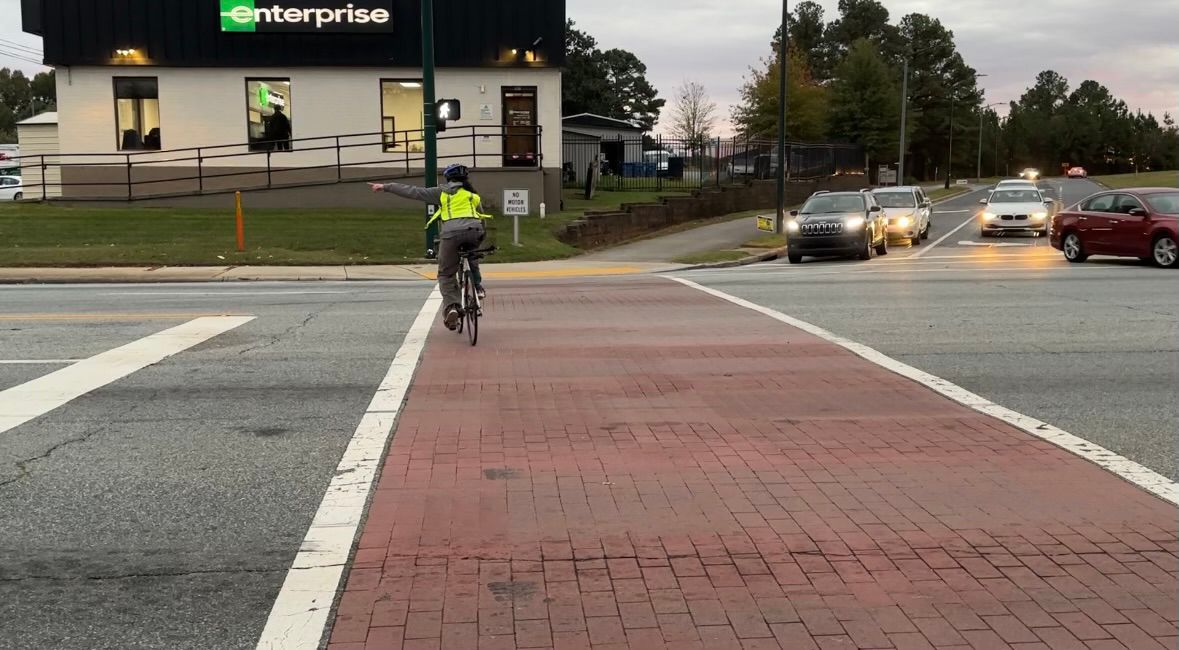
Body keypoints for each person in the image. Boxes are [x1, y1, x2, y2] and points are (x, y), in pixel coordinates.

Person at [370, 164, 490, 330]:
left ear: (448, 179)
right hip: (475, 230)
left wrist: (386, 187)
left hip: (451, 233)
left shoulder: (441, 192)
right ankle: (478, 288)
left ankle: (453, 307)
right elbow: (482, 217)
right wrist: (482, 235)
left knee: (446, 273)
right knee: (472, 255)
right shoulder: (472, 195)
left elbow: (413, 191)